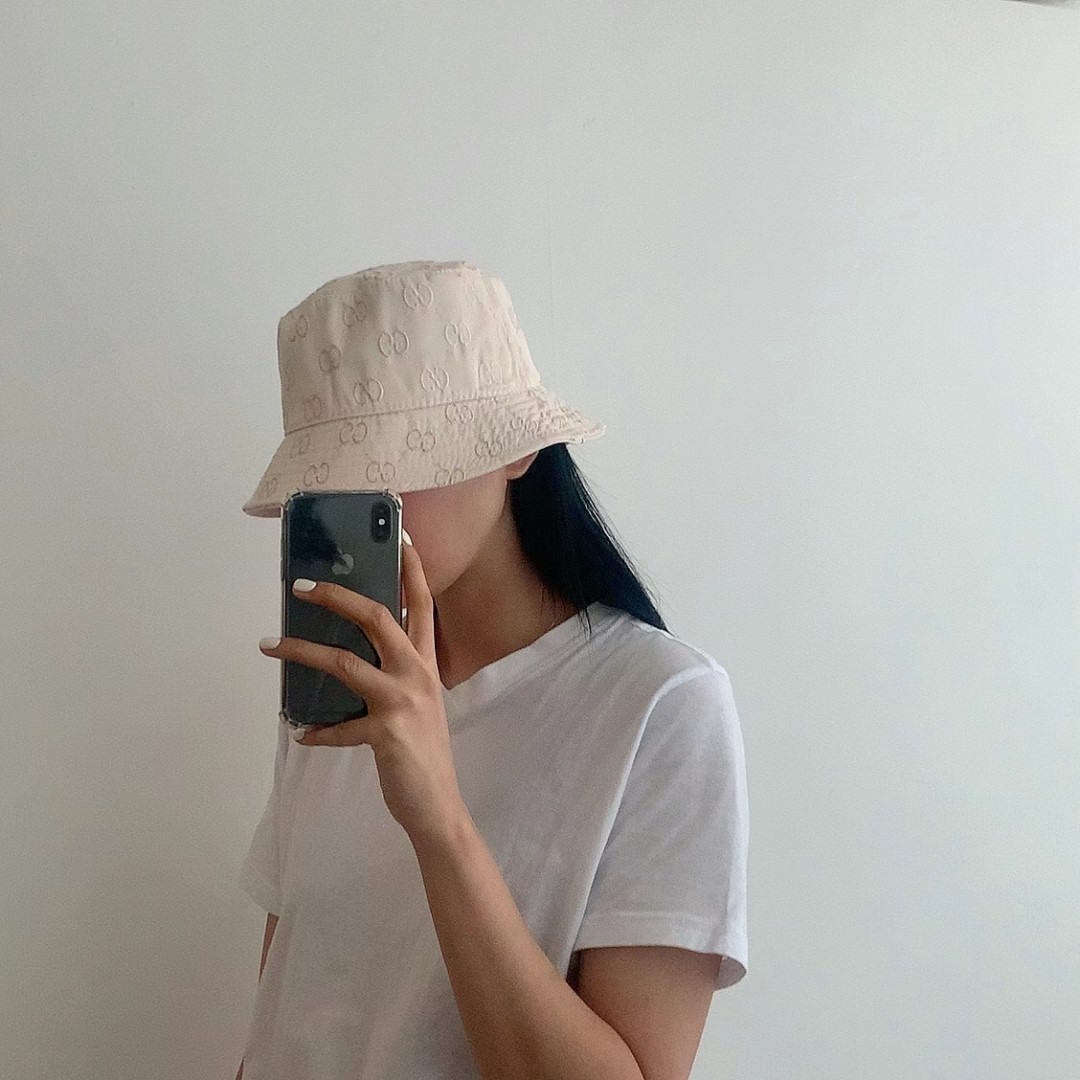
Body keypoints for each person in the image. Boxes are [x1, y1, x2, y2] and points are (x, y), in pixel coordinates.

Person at [235, 260, 749, 1080]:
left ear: (516, 451)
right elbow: (284, 1015)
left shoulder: (660, 706)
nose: (364, 498)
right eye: (333, 481)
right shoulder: (340, 683)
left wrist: (437, 818)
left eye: (396, 459)